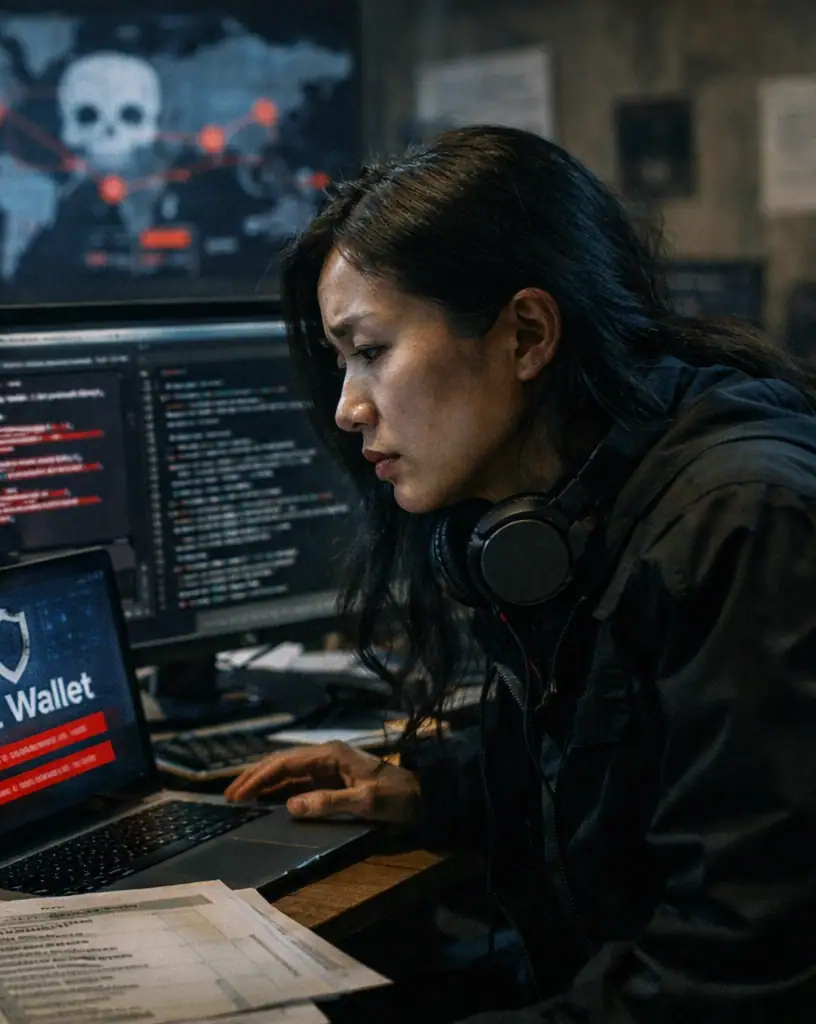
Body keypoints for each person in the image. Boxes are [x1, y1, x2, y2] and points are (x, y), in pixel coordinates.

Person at [226, 126, 816, 1020]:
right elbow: (639, 751)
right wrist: (441, 787)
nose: (347, 407)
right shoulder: (569, 509)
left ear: (527, 334)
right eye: (340, 361)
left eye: (371, 351)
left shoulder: (742, 526)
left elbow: (741, 974)